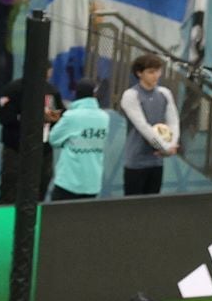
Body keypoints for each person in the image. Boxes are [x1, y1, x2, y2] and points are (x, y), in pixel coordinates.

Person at [117, 55, 179, 196]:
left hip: (156, 163)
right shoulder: (131, 95)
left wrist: (172, 144)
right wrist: (164, 148)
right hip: (136, 162)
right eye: (151, 72)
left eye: (158, 71)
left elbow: (173, 122)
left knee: (152, 209)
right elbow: (143, 126)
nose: (156, 75)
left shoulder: (165, 93)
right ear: (139, 73)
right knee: (133, 211)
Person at [44, 80, 111, 201]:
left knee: (58, 217)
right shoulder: (104, 117)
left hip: (69, 180)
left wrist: (70, 141)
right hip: (93, 181)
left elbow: (53, 139)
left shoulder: (71, 116)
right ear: (94, 95)